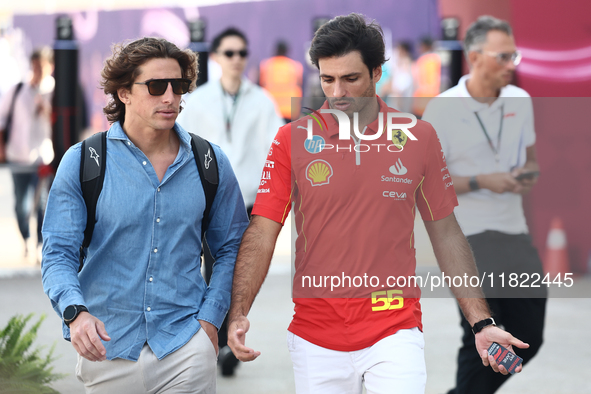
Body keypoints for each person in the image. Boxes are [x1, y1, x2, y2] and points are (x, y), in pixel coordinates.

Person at [227, 13, 529, 394]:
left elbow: (447, 233)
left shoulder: (418, 137)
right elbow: (263, 230)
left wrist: (481, 322)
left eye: (350, 78)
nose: (338, 92)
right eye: (327, 79)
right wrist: (238, 312)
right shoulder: (291, 140)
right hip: (315, 335)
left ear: (376, 73)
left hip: (395, 329)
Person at [41, 37, 249, 393]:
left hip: (185, 343)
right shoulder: (83, 162)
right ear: (123, 92)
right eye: (155, 86)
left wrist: (211, 321)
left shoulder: (209, 163)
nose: (170, 97)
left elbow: (232, 247)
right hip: (108, 347)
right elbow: (58, 252)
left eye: (178, 86)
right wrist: (76, 313)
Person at [422, 15, 546, 394]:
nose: (511, 65)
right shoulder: (441, 110)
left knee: (529, 337)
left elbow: (532, 161)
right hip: (469, 238)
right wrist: (482, 181)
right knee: (485, 337)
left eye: (514, 56)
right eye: (502, 56)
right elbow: (423, 184)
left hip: (514, 232)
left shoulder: (520, 101)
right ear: (474, 57)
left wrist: (526, 175)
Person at [177, 27, 283, 376]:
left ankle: (226, 340)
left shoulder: (262, 100)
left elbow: (276, 149)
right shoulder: (198, 100)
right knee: (214, 269)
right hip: (209, 200)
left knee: (240, 272)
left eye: (242, 53)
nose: (236, 59)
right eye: (229, 52)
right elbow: (182, 145)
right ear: (217, 57)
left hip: (251, 200)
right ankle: (221, 341)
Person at [0, 47, 54, 261]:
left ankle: (40, 243)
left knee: (42, 201)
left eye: (41, 67)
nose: (37, 71)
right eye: (35, 67)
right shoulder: (18, 90)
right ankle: (26, 237)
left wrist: (47, 111)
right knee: (21, 203)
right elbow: (2, 119)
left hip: (43, 156)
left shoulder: (55, 92)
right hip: (18, 155)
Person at [259, 40, 304, 123]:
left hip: (271, 110)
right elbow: (301, 87)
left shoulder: (266, 66)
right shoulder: (295, 67)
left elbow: (259, 88)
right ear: (287, 51)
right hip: (290, 110)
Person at [380, 41, 414, 113]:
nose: (397, 52)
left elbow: (403, 84)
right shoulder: (397, 65)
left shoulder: (407, 66)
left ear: (403, 50)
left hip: (401, 102)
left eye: (399, 49)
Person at [412, 37, 441, 117]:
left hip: (421, 100)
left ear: (424, 46)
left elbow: (416, 81)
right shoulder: (437, 59)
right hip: (434, 99)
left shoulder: (421, 60)